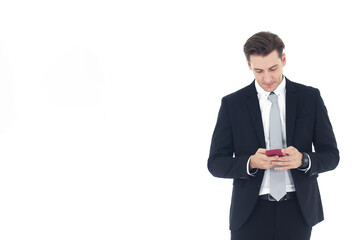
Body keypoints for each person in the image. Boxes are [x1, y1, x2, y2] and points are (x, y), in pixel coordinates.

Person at [207, 31, 339, 240]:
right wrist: (250, 163)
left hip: (298, 210)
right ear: (249, 65)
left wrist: (304, 160)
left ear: (283, 60)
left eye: (273, 68)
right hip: (249, 212)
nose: (267, 78)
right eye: (259, 70)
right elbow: (215, 163)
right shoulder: (232, 104)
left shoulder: (310, 98)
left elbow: (331, 155)